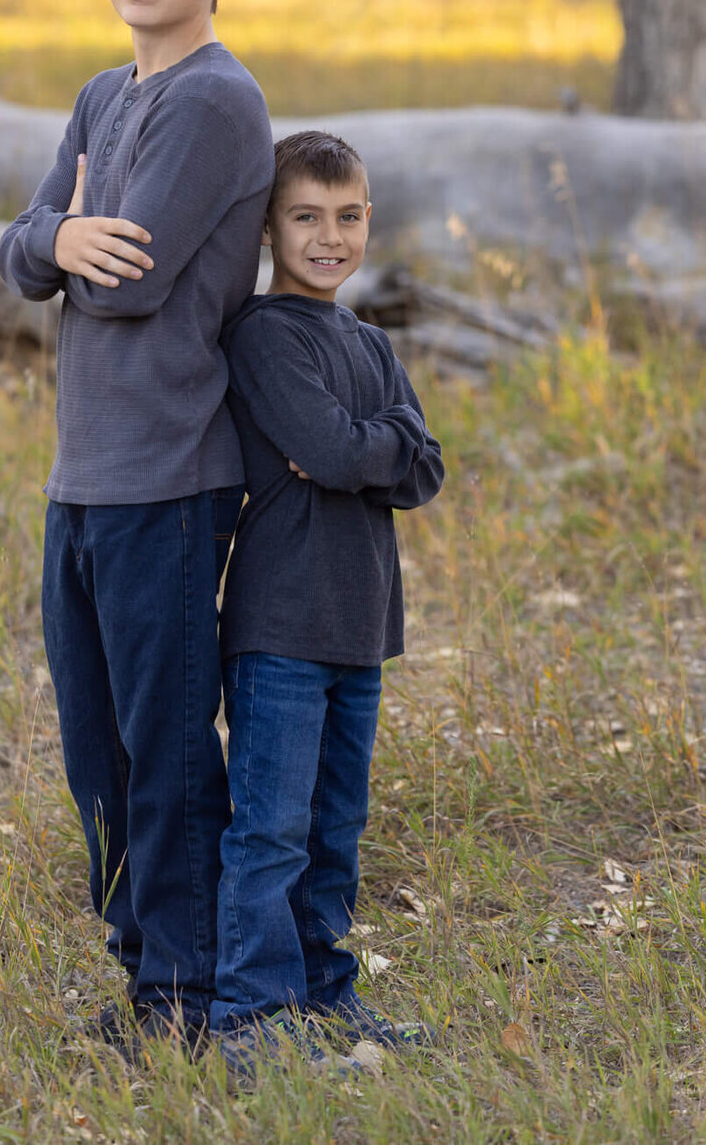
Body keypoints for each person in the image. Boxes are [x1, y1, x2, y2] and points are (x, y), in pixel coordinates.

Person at [0, 0, 274, 1053]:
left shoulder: (216, 99)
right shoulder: (102, 97)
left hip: (168, 471)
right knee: (93, 745)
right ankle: (141, 970)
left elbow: (139, 277)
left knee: (160, 744)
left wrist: (64, 244)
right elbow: (21, 253)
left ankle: (186, 994)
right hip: (85, 473)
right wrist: (61, 229)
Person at [212, 129, 445, 1069]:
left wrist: (365, 446)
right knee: (269, 827)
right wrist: (368, 447)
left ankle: (321, 998)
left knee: (334, 829)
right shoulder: (264, 335)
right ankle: (249, 1018)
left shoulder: (371, 341)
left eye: (347, 217)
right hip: (278, 627)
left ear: (368, 220)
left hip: (359, 627)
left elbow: (420, 466)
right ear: (268, 226)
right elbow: (350, 450)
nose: (328, 237)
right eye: (305, 216)